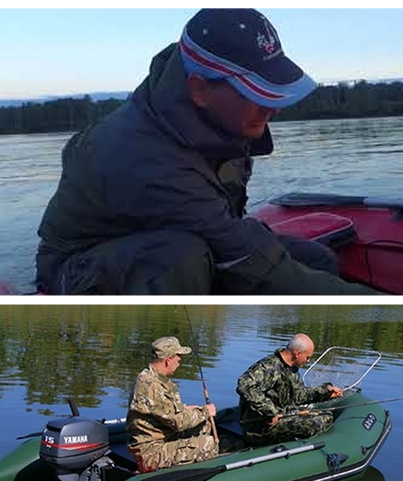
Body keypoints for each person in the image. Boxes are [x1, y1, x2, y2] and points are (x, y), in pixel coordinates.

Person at [35, 8, 380, 296]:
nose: (272, 108)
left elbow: (227, 229)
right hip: (75, 270)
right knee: (181, 259)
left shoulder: (209, 114)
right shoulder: (149, 161)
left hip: (167, 235)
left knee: (316, 260)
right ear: (199, 89)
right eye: (257, 93)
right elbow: (251, 258)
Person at [126, 336, 218, 472]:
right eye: (178, 359)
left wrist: (186, 409)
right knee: (208, 444)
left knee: (204, 425)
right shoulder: (150, 385)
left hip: (163, 438)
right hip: (151, 453)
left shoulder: (156, 380)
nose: (179, 364)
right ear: (168, 360)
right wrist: (205, 412)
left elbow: (166, 410)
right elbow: (178, 422)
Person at [237, 333, 343, 446]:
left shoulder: (291, 369)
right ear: (297, 354)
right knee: (317, 423)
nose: (308, 361)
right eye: (307, 357)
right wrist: (270, 411)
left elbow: (298, 395)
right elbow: (244, 385)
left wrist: (325, 391)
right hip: (260, 428)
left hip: (281, 416)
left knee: (326, 415)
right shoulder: (270, 367)